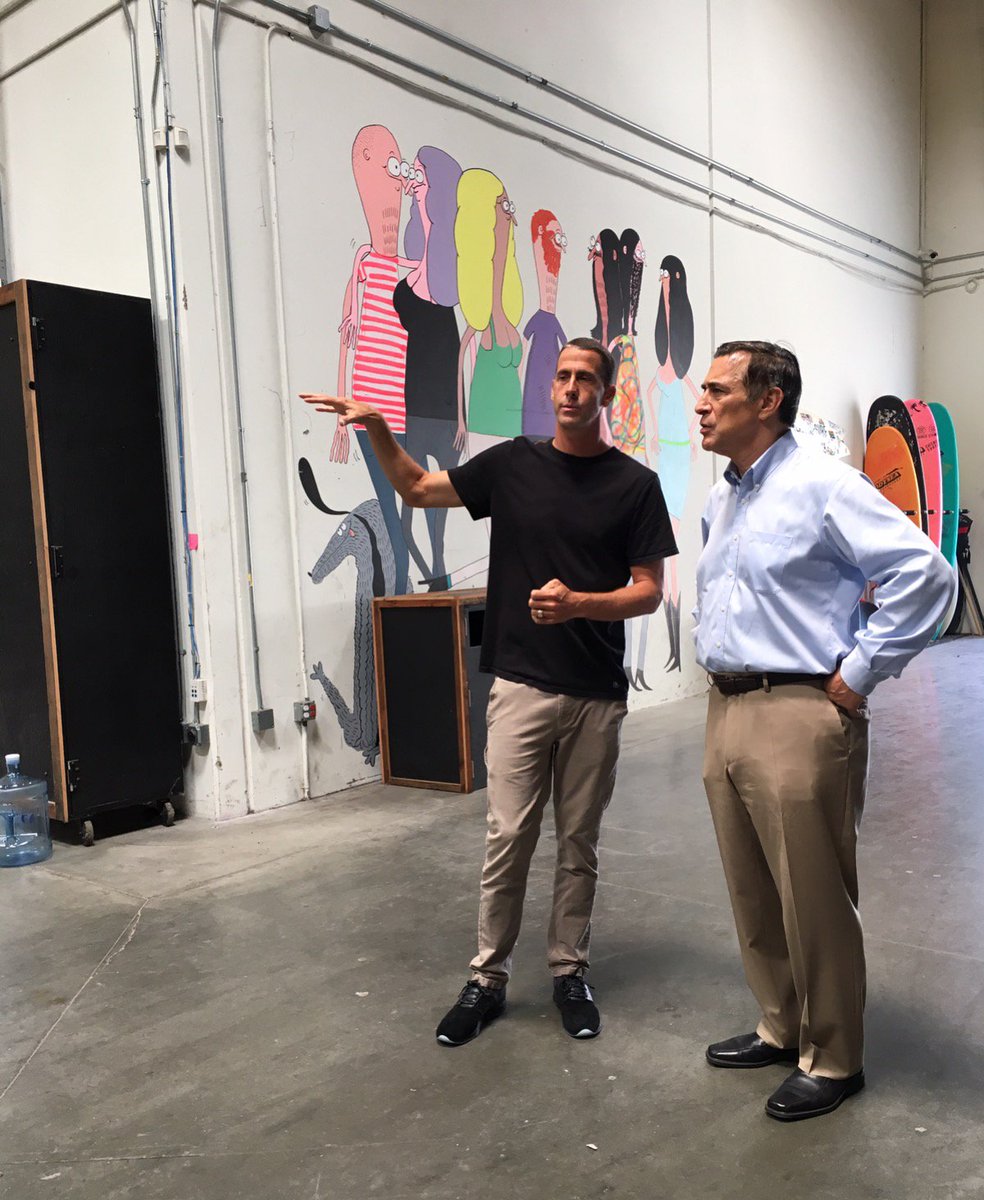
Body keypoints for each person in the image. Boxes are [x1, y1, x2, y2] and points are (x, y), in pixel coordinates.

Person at [301, 337, 676, 1045]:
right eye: (561, 376)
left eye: (585, 379)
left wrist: (580, 605)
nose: (570, 389)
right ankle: (487, 979)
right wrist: (377, 427)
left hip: (595, 693)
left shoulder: (635, 485)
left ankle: (569, 971)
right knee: (508, 837)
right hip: (522, 686)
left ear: (607, 394)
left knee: (579, 842)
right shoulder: (512, 465)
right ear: (551, 389)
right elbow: (418, 488)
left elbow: (649, 590)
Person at [693, 341, 955, 1122]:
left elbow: (926, 575)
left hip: (799, 711)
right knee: (753, 888)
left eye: (717, 390)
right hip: (725, 707)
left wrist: (860, 672)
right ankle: (781, 1025)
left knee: (815, 894)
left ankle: (835, 1056)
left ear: (767, 400)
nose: (701, 404)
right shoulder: (721, 501)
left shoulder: (824, 486)